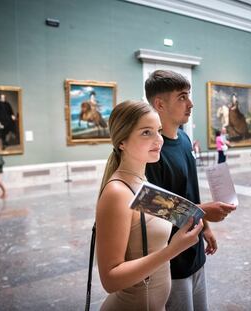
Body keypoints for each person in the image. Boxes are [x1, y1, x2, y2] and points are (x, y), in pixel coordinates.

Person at [96, 100, 203, 311]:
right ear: (122, 142)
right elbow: (110, 280)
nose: (159, 140)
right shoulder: (117, 192)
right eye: (146, 133)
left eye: (158, 131)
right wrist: (172, 250)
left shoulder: (143, 181)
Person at [145, 70, 236, 311]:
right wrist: (202, 212)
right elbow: (155, 208)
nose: (191, 104)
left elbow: (187, 193)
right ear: (160, 104)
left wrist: (204, 227)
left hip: (195, 251)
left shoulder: (184, 140)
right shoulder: (152, 151)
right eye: (182, 97)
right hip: (171, 261)